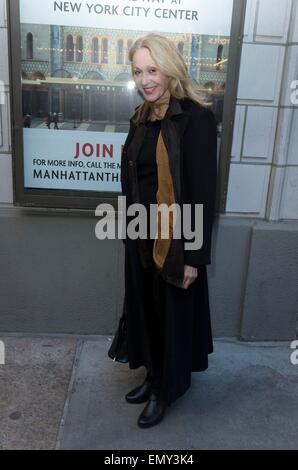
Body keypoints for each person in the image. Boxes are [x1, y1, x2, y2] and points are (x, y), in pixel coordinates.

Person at [109, 34, 218, 429]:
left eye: (152, 70)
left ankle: (164, 391)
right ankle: (152, 375)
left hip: (176, 240)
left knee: (171, 316)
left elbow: (204, 193)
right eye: (138, 71)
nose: (145, 79)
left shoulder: (196, 118)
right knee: (147, 312)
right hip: (141, 236)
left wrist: (195, 255)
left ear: (170, 69)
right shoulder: (142, 116)